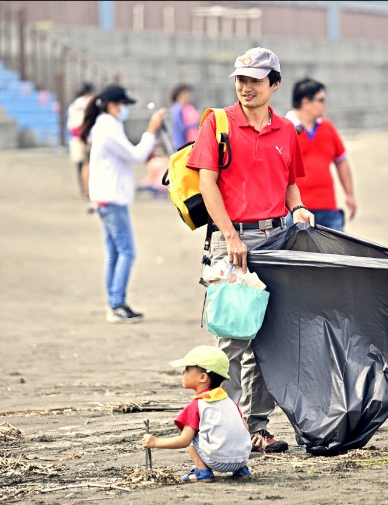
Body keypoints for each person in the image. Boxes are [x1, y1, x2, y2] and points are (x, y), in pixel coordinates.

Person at [186, 47, 314, 453]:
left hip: (277, 238)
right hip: (232, 240)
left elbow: (290, 181)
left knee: (269, 339)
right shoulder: (218, 123)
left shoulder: (287, 130)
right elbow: (208, 185)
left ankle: (256, 427)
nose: (246, 88)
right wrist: (232, 236)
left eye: (255, 81)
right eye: (240, 80)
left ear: (274, 85)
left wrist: (298, 207)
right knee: (231, 339)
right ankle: (221, 428)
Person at [79, 84, 167, 324]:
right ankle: (117, 304)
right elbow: (136, 156)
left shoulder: (105, 126)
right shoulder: (108, 127)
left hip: (107, 198)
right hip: (112, 199)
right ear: (112, 105)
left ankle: (114, 302)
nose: (124, 109)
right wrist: (151, 130)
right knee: (126, 252)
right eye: (123, 105)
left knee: (115, 252)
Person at [141, 346, 252, 483]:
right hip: (241, 459)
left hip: (217, 461)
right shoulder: (229, 401)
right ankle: (241, 471)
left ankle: (203, 472)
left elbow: (184, 441)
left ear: (203, 377)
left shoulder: (198, 404)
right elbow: (245, 427)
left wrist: (156, 442)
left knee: (192, 434)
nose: (183, 372)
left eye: (187, 369)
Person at [284, 78, 357, 231]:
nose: (325, 104)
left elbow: (341, 161)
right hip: (293, 211)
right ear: (306, 103)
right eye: (321, 100)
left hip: (328, 208)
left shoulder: (327, 126)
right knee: (294, 254)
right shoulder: (284, 128)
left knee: (336, 253)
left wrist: (350, 195)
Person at [67, 82, 95, 200]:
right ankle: (90, 189)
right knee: (90, 164)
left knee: (80, 165)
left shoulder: (73, 105)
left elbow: (70, 124)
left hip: (76, 136)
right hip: (88, 136)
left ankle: (84, 190)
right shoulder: (90, 101)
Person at [168, 84, 199, 150]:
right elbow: (180, 127)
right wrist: (195, 123)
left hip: (192, 142)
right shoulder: (177, 108)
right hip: (182, 143)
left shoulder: (190, 106)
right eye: (187, 93)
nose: (189, 95)